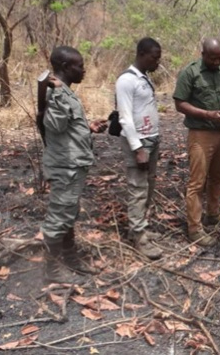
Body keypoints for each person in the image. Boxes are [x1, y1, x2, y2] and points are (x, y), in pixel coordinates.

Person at [41, 46, 108, 284]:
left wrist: (87, 127)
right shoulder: (54, 92)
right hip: (64, 166)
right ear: (65, 68)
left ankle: (70, 258)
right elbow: (55, 126)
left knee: (68, 213)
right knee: (59, 216)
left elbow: (65, 125)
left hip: (73, 163)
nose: (84, 69)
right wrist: (58, 94)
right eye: (79, 66)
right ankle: (51, 270)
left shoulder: (65, 91)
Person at [173, 38, 220, 246]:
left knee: (217, 178)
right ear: (202, 54)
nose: (216, 61)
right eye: (212, 58)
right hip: (201, 133)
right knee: (197, 182)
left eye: (219, 58)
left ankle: (213, 216)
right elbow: (180, 103)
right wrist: (207, 114)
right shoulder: (191, 72)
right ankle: (194, 229)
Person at [115, 37, 163, 259]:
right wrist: (137, 148)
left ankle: (140, 226)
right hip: (139, 142)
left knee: (148, 185)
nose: (157, 62)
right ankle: (138, 236)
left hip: (151, 139)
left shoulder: (143, 78)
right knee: (137, 188)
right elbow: (125, 118)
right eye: (155, 57)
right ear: (142, 54)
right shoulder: (126, 80)